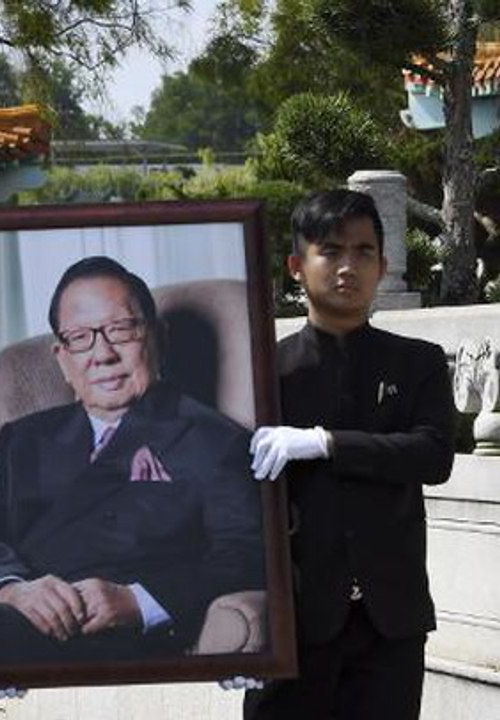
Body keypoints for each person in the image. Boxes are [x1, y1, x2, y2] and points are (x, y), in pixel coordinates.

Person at [0, 256, 265, 663]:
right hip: (15, 616)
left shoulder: (216, 441)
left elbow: (246, 557)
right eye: (80, 338)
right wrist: (11, 588)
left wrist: (136, 601)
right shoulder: (25, 439)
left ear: (157, 337)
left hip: (110, 637)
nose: (103, 354)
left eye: (121, 329)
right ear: (62, 358)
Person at [240, 190, 455, 719]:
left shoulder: (418, 363)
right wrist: (234, 633)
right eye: (330, 251)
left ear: (382, 265)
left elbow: (433, 455)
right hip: (291, 627)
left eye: (363, 252)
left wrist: (326, 442)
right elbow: (231, 504)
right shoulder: (263, 372)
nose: (347, 267)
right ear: (297, 266)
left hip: (389, 625)